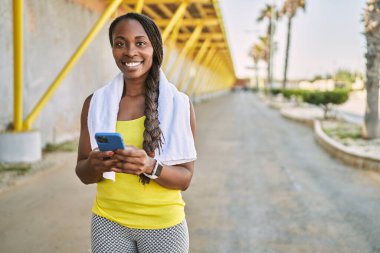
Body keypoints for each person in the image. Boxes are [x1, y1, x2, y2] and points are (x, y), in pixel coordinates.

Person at [75, 12, 197, 253]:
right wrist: (95, 164)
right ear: (112, 50)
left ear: (154, 49)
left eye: (140, 43)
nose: (130, 52)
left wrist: (149, 166)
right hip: (108, 222)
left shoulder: (179, 104)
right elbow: (83, 173)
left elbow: (185, 179)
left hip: (163, 226)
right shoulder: (95, 103)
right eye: (120, 43)